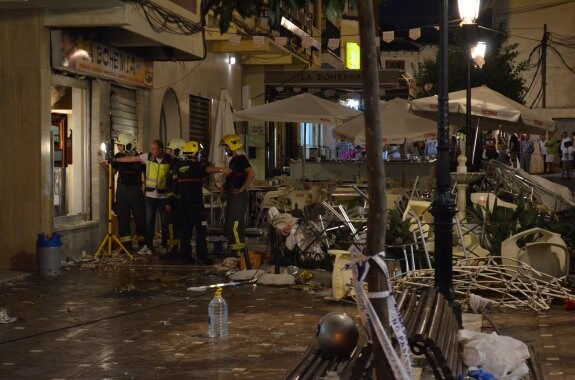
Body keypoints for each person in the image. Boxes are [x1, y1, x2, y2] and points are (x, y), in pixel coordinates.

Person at [166, 141, 230, 264]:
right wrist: (223, 169)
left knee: (185, 232)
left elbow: (173, 187)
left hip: (182, 205)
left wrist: (170, 202)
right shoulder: (197, 167)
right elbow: (208, 169)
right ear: (195, 154)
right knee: (201, 232)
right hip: (196, 205)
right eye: (199, 153)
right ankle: (202, 257)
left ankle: (185, 256)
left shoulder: (177, 167)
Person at [114, 140, 173, 255]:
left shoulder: (169, 160)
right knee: (148, 223)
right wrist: (115, 159)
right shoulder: (148, 157)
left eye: (154, 149)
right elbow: (131, 159)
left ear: (160, 150)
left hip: (163, 196)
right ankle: (148, 246)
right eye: (151, 149)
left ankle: (165, 246)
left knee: (165, 223)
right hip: (150, 196)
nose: (152, 151)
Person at [110, 133, 146, 253]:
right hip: (122, 190)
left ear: (127, 145)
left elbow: (146, 174)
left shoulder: (140, 157)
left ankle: (143, 246)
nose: (118, 147)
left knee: (140, 219)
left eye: (120, 145)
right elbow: (112, 172)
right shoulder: (117, 156)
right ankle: (126, 248)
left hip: (135, 189)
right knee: (123, 219)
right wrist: (103, 164)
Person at [220, 134, 256, 253]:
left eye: (226, 146)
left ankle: (238, 251)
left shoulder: (241, 159)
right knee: (231, 223)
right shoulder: (232, 162)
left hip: (238, 196)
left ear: (232, 146)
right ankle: (234, 248)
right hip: (233, 195)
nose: (225, 149)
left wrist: (241, 189)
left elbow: (251, 174)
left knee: (235, 223)